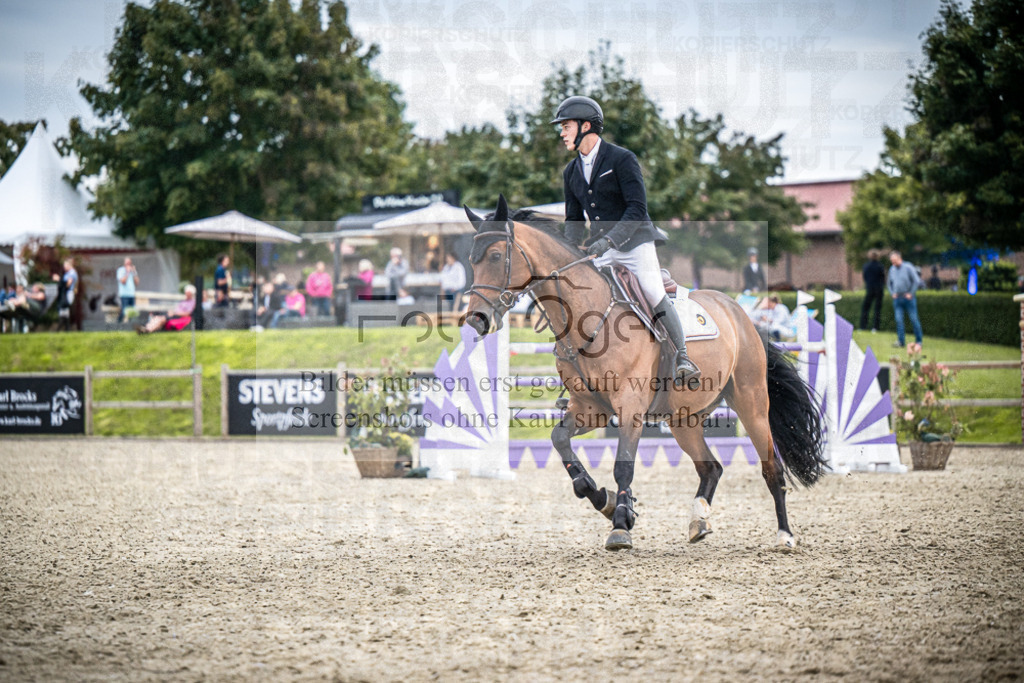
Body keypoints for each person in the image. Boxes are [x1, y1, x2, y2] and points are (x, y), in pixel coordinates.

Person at [552, 95, 699, 380]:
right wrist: (570, 251)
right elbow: (573, 220)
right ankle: (580, 372)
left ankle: (682, 356)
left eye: (566, 126)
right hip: (599, 249)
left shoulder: (621, 159)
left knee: (653, 291)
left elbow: (637, 208)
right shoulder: (570, 171)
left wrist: (610, 241)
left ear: (585, 126)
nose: (561, 133)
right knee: (580, 296)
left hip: (634, 243)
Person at [887, 250, 924, 348]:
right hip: (897, 299)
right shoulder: (892, 269)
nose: (893, 263)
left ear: (900, 258)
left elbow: (916, 281)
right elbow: (889, 284)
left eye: (894, 261)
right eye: (892, 261)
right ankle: (901, 341)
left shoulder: (908, 267)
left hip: (908, 299)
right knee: (898, 320)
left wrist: (911, 293)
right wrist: (892, 293)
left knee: (914, 319)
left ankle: (919, 341)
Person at [859, 249, 885, 331]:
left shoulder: (866, 266)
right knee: (877, 309)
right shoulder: (880, 266)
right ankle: (875, 327)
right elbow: (883, 278)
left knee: (865, 308)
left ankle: (863, 326)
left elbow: (865, 277)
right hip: (879, 289)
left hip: (869, 288)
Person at [53, 258, 78, 332]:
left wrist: (59, 279)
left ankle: (59, 329)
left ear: (69, 265)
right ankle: (67, 329)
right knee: (65, 312)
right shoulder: (67, 273)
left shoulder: (72, 273)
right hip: (64, 294)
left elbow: (67, 284)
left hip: (68, 293)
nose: (64, 267)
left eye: (65, 265)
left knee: (64, 310)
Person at [116, 256, 140, 323]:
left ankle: (129, 326)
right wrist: (127, 272)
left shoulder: (133, 271)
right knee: (124, 311)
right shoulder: (120, 270)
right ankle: (118, 323)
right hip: (124, 294)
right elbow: (123, 281)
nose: (128, 264)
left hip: (131, 294)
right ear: (124, 263)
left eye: (129, 263)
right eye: (127, 263)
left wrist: (134, 272)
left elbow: (137, 282)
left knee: (131, 312)